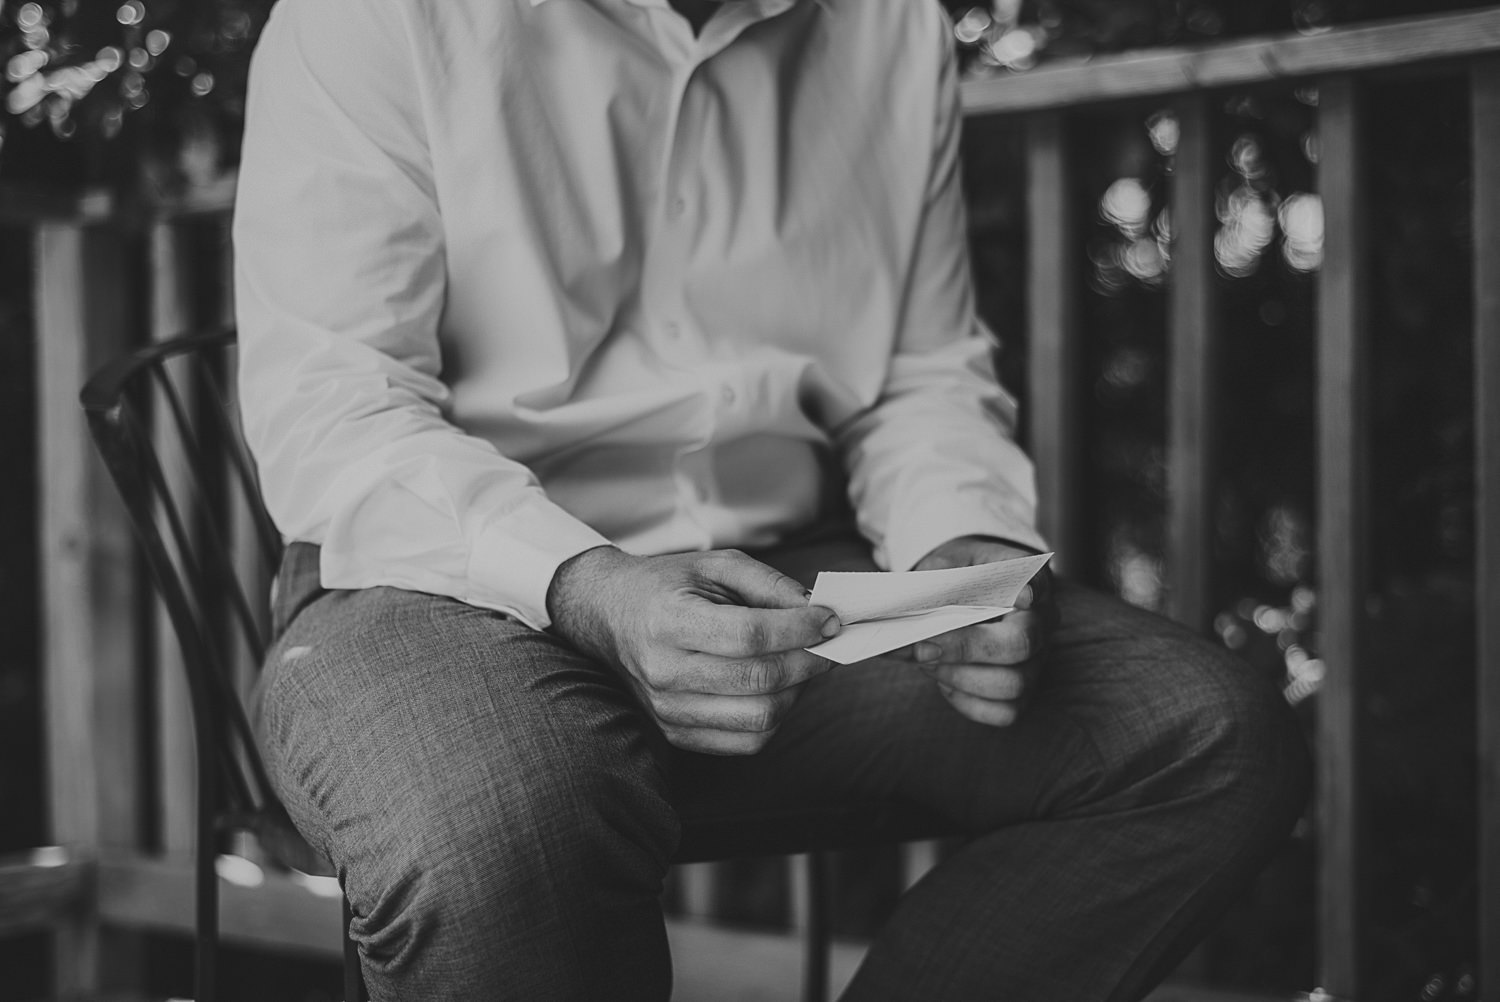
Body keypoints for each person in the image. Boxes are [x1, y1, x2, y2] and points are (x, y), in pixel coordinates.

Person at [233, 0, 1310, 998]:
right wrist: (593, 587)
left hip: (789, 591)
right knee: (500, 837)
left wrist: (961, 541)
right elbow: (336, 409)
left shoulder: (891, 26)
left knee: (1204, 744)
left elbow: (915, 370)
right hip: (436, 589)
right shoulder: (367, 16)